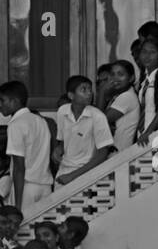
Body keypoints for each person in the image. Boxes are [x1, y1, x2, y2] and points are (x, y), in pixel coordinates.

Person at [0, 80, 54, 208]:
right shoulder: (40, 120)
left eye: (2, 100)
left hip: (25, 188)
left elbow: (19, 167)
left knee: (23, 226)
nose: (0, 105)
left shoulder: (16, 124)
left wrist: (18, 205)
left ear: (15, 101)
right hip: (45, 186)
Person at [54, 75, 113, 189]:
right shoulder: (62, 111)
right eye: (83, 90)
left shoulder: (98, 116)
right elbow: (62, 141)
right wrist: (58, 149)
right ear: (71, 95)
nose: (89, 93)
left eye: (90, 89)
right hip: (64, 171)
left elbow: (103, 153)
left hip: (86, 173)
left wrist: (73, 176)